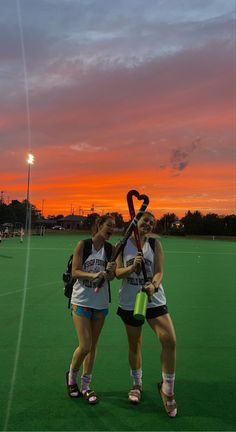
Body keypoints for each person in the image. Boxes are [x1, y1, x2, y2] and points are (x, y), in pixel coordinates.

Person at [115, 211, 177, 417]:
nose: (148, 225)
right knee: (135, 343)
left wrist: (154, 285)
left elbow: (159, 272)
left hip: (153, 300)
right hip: (131, 302)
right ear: (136, 222)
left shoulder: (154, 244)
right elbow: (116, 273)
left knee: (169, 340)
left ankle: (167, 390)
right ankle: (136, 384)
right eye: (145, 221)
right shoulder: (123, 244)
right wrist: (132, 268)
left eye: (152, 223)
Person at [66, 215, 116, 404]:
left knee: (93, 347)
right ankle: (71, 378)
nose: (112, 229)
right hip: (81, 300)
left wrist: (110, 271)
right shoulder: (83, 245)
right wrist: (94, 274)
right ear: (99, 225)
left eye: (114, 227)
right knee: (85, 345)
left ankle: (86, 386)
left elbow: (112, 278)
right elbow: (76, 271)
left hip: (101, 303)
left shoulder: (111, 249)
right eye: (109, 225)